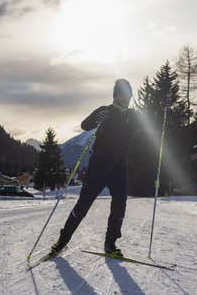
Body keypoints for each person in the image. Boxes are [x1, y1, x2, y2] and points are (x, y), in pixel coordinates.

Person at [50, 79, 141, 257]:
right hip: (99, 165)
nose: (127, 99)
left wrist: (165, 111)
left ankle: (110, 244)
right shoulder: (105, 111)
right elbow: (85, 125)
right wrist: (97, 118)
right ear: (116, 96)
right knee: (83, 204)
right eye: (123, 95)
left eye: (129, 95)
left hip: (119, 167)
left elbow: (150, 128)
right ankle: (63, 241)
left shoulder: (132, 116)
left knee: (119, 205)